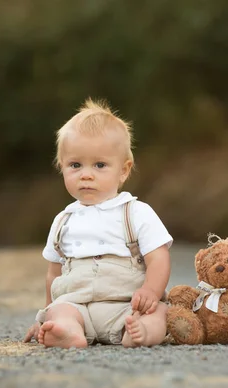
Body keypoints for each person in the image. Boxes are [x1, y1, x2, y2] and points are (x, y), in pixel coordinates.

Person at [23, 99, 173, 348]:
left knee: (158, 312)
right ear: (62, 168)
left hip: (125, 306)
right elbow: (54, 272)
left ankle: (141, 333)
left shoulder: (135, 212)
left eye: (100, 165)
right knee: (60, 311)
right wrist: (48, 311)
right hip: (77, 306)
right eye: (75, 165)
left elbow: (158, 257)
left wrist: (151, 291)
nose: (86, 174)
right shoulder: (63, 221)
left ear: (123, 170)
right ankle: (67, 331)